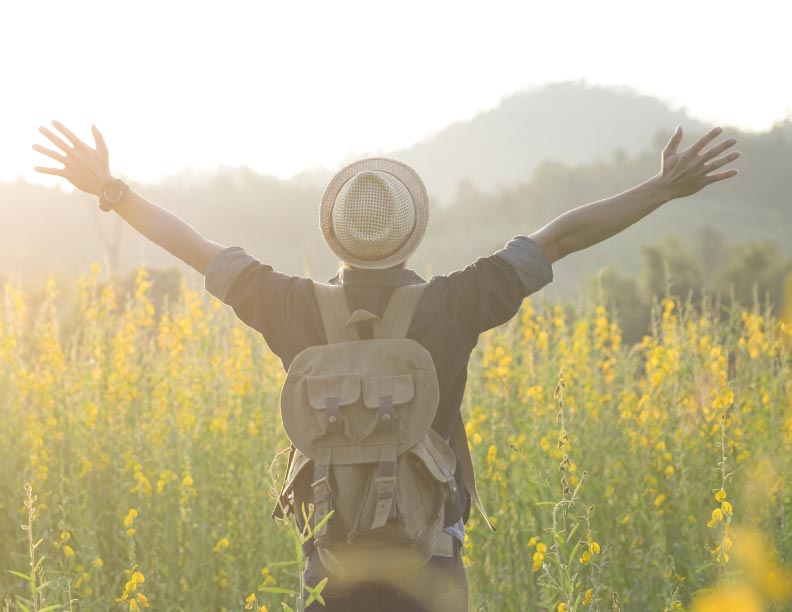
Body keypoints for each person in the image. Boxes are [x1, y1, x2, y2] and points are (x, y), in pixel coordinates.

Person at [33, 121, 739, 611]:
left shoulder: (290, 307)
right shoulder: (457, 302)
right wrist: (662, 189)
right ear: (412, 231)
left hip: (330, 567)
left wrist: (112, 190)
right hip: (430, 566)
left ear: (334, 232)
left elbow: (193, 245)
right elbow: (562, 236)